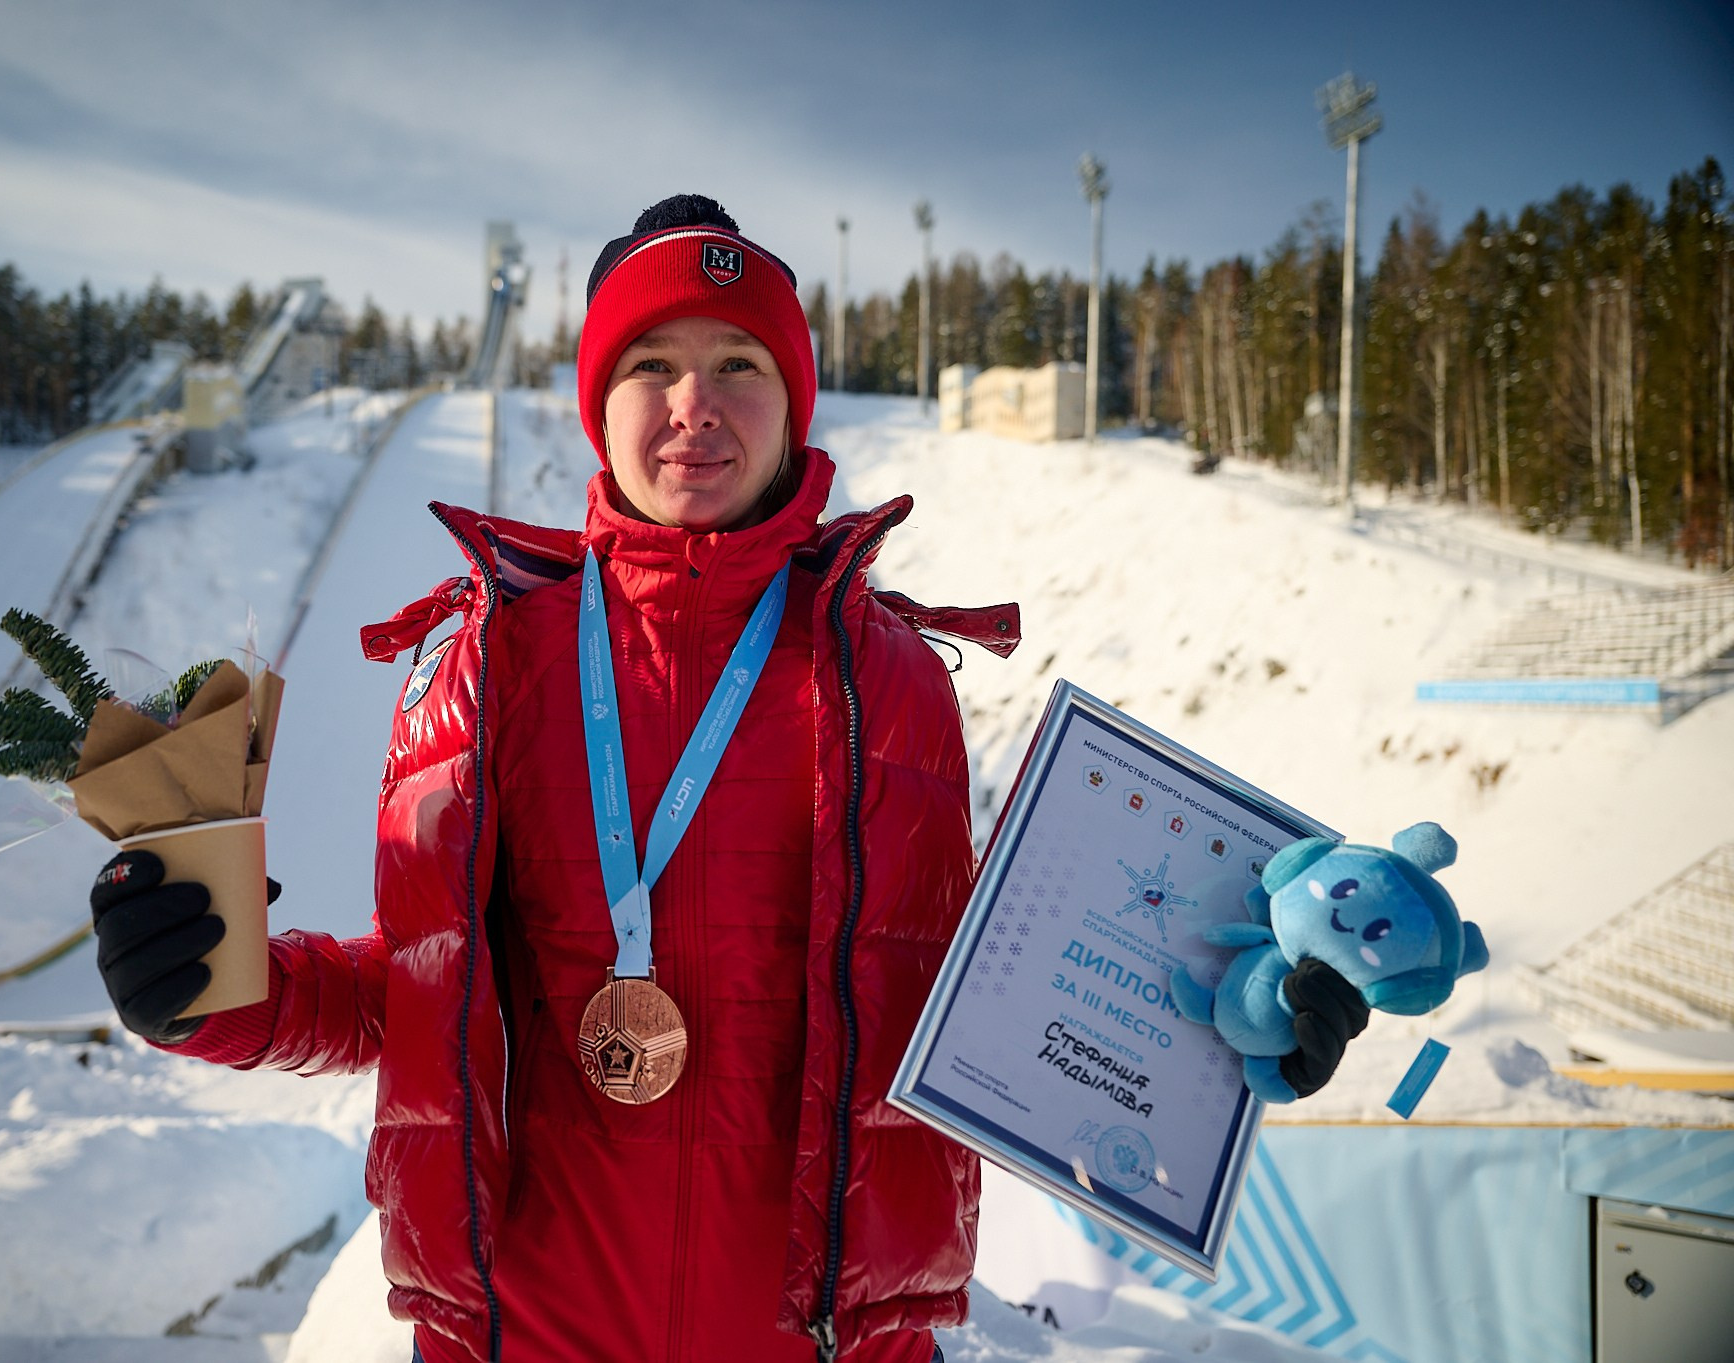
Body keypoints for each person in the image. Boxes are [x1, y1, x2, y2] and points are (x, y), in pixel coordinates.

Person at [88, 195, 1362, 1363]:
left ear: (793, 404)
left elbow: (982, 1000)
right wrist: (217, 994)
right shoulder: (490, 663)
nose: (693, 405)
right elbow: (417, 994)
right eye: (651, 365)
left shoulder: (888, 676)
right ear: (598, 405)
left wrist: (1219, 1018)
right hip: (530, 1339)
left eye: (737, 366)